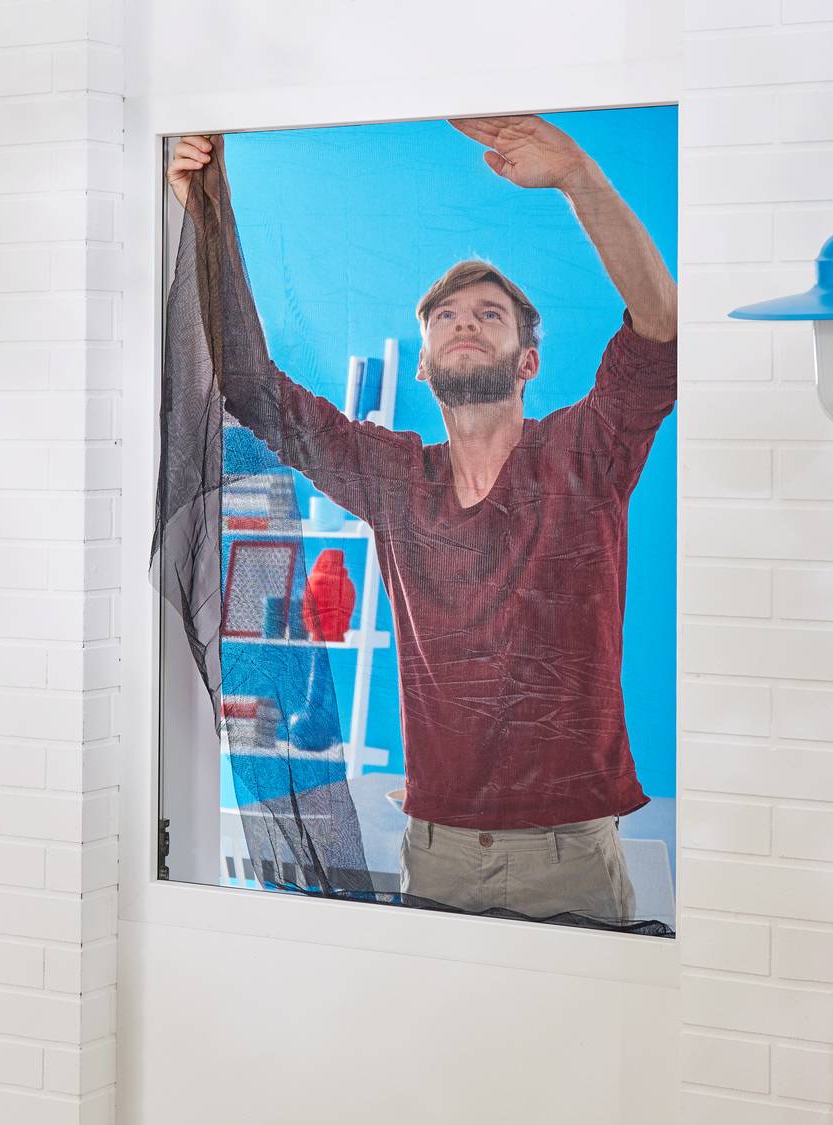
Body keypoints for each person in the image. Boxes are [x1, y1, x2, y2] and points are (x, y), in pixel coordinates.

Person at [166, 116, 676, 923]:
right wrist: (207, 211)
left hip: (566, 857)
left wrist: (579, 175)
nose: (463, 322)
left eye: (488, 313)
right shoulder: (397, 478)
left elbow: (662, 328)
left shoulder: (588, 454)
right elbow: (253, 386)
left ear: (528, 361)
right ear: (431, 362)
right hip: (433, 854)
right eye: (444, 317)